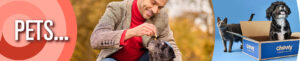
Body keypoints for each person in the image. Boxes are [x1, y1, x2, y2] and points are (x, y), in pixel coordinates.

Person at [90, 0, 182, 61]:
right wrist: (132, 32)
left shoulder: (161, 17)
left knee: (165, 47)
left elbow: (173, 47)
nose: (155, 10)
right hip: (113, 59)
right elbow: (96, 39)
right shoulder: (117, 9)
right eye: (153, 2)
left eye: (160, 7)